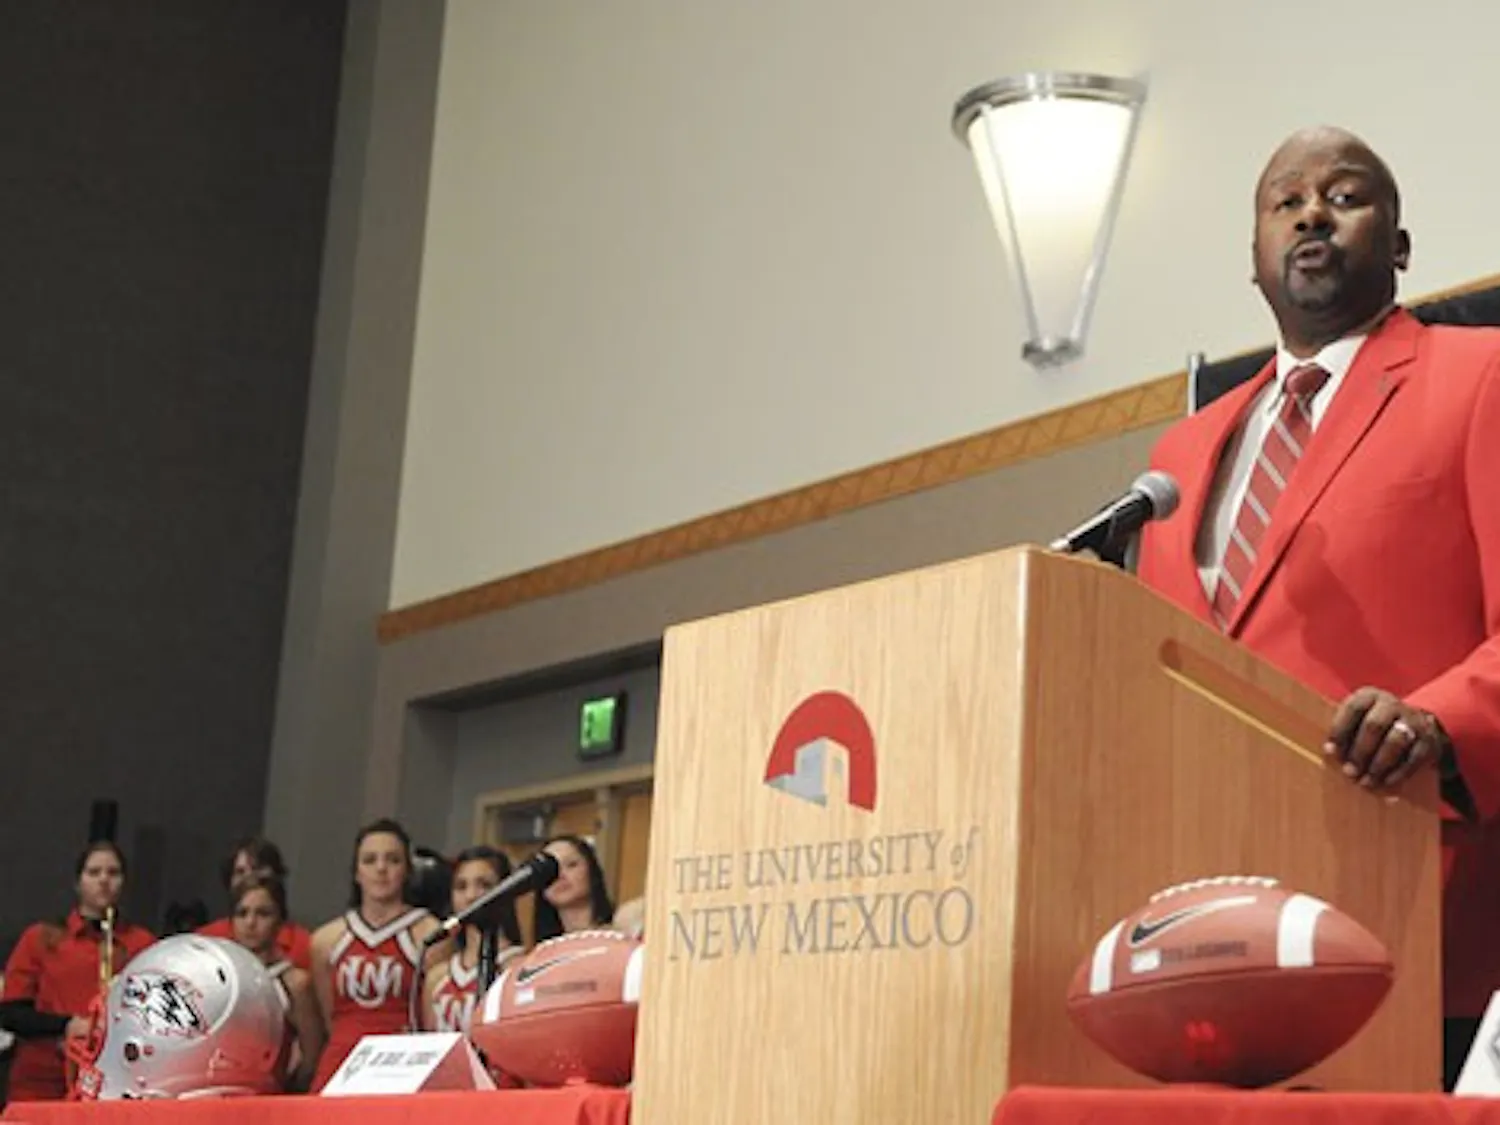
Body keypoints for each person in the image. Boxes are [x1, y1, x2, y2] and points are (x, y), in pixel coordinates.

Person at [1136, 125, 1500, 1090]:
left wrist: (1436, 721)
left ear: (1400, 244)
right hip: (1208, 933)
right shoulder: (1178, 456)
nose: (1311, 215)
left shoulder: (1483, 375)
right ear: (1253, 257)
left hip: (1422, 904)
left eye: (1344, 196)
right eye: (1286, 202)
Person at [1, 842, 155, 1103]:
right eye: (94, 872)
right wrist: (67, 1026)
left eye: (113, 873)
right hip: (43, 1080)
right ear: (78, 882)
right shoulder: (41, 938)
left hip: (115, 1082)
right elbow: (10, 1013)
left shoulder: (142, 944)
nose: (104, 880)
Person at [308, 818, 445, 1091]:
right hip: (340, 1064)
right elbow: (328, 1017)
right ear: (356, 872)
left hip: (402, 1065)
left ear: (407, 870)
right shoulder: (325, 940)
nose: (381, 869)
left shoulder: (431, 933)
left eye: (393, 860)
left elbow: (434, 1021)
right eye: (370, 860)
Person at [229, 873, 324, 1092]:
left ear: (280, 921)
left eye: (263, 913)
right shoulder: (219, 979)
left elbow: (311, 1059)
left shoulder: (296, 984)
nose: (251, 923)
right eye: (242, 913)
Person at [422, 847, 522, 1033]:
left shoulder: (520, 966)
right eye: (461, 886)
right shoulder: (437, 977)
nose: (471, 896)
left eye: (484, 885)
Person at [198, 837, 313, 972]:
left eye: (257, 869)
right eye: (240, 872)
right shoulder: (206, 939)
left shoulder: (305, 945)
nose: (249, 878)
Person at [532, 835, 615, 942]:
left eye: (571, 865)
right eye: (549, 870)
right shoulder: (541, 949)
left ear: (592, 870)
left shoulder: (621, 932)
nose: (560, 875)